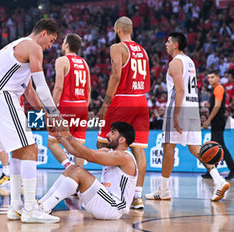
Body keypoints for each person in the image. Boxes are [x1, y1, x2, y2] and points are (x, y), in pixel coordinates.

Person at [0, 18, 60, 223]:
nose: (50, 46)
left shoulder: (18, 47)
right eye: (51, 40)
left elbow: (30, 92)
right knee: (31, 149)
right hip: (2, 96)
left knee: (18, 150)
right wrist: (54, 113)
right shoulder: (33, 47)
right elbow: (42, 87)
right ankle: (31, 208)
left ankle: (15, 207)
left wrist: (44, 114)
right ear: (43, 34)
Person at [145, 32, 230, 201]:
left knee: (168, 147)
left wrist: (175, 114)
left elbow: (180, 90)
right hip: (192, 108)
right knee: (196, 148)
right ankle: (219, 180)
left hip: (180, 107)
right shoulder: (190, 61)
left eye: (168, 42)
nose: (166, 44)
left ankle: (164, 190)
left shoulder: (175, 63)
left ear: (175, 45)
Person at [96, 16, 150, 209]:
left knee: (103, 142)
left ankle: (108, 190)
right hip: (142, 100)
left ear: (118, 30)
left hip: (123, 99)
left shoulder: (117, 47)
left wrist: (105, 104)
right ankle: (137, 196)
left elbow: (116, 75)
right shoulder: (143, 50)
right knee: (139, 150)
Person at [39, 121, 137, 220]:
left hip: (114, 207)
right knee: (72, 168)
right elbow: (76, 152)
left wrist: (68, 135)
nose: (107, 135)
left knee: (79, 172)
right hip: (105, 201)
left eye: (112, 132)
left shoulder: (124, 157)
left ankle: (45, 208)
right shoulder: (110, 152)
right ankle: (41, 204)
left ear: (121, 139)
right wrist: (59, 136)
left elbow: (90, 156)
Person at [48, 33, 91, 168]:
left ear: (66, 45)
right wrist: (85, 107)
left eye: (63, 42)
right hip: (82, 106)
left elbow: (59, 87)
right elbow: (88, 89)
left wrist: (51, 110)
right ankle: (80, 179)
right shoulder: (84, 63)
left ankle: (69, 167)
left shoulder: (61, 61)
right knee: (78, 145)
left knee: (52, 142)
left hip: (68, 105)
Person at [202, 70, 234, 180]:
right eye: (209, 77)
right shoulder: (215, 89)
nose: (210, 79)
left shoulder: (219, 88)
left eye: (212, 77)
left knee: (220, 146)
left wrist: (208, 120)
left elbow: (217, 106)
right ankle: (212, 171)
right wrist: (209, 105)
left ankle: (232, 169)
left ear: (218, 78)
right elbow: (215, 105)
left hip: (218, 120)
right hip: (217, 120)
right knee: (215, 146)